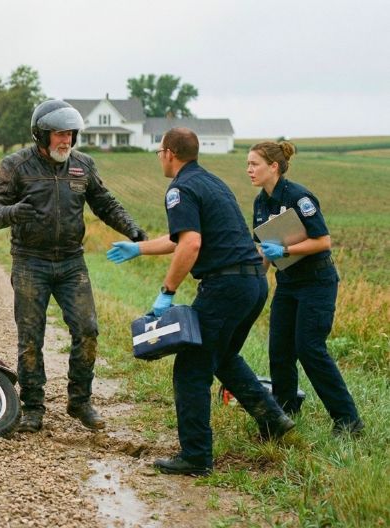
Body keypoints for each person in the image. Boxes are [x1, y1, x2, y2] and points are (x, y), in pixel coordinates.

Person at [106, 127, 294, 476]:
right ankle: (273, 419)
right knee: (222, 357)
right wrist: (139, 248)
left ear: (169, 153)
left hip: (226, 287)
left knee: (191, 368)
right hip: (252, 283)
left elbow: (190, 245)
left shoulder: (180, 189)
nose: (160, 158)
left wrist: (166, 292)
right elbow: (184, 238)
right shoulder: (211, 181)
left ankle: (196, 457)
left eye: (160, 152)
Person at [0, 99, 147, 433]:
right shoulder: (16, 166)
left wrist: (133, 230)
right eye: (59, 134)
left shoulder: (82, 166)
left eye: (71, 134)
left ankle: (80, 401)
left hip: (72, 263)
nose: (66, 141)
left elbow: (106, 203)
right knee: (31, 337)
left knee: (87, 330)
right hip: (30, 262)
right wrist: (14, 212)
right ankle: (33, 406)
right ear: (41, 135)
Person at [248, 141, 363, 436]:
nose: (248, 170)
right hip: (287, 284)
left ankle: (348, 421)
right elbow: (264, 253)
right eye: (247, 164)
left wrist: (284, 250)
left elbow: (323, 241)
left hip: (317, 282)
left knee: (309, 348)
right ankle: (284, 415)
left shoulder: (299, 197)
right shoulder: (260, 203)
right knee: (280, 351)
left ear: (273, 166)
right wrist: (253, 272)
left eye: (254, 164)